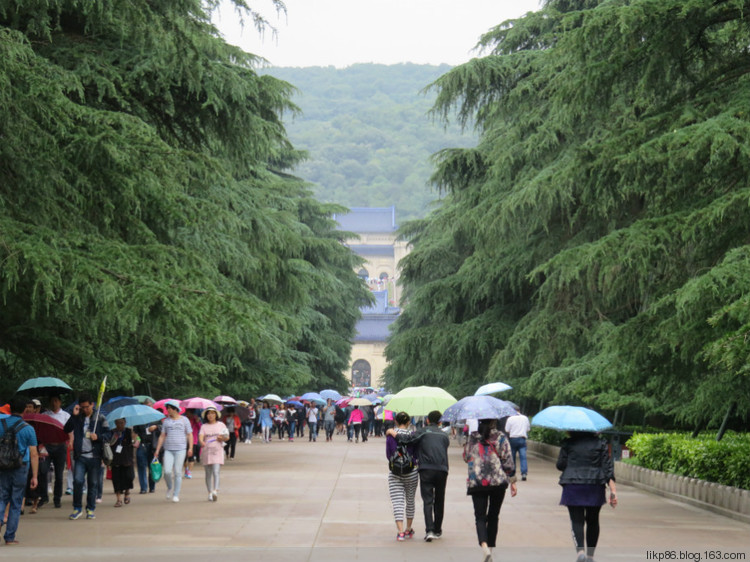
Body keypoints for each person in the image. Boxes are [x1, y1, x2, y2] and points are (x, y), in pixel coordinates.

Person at [387, 410, 450, 542]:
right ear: (440, 422)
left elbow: (404, 442)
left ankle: (426, 530)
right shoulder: (445, 435)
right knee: (438, 500)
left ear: (427, 420)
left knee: (426, 501)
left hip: (424, 469)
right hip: (441, 469)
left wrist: (392, 432)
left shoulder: (422, 432)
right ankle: (436, 530)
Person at [556, 431, 617, 562]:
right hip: (595, 484)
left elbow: (560, 465)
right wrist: (613, 491)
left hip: (573, 483)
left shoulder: (568, 442)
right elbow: (607, 468)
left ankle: (580, 553)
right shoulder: (601, 443)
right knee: (593, 520)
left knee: (577, 521)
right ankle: (590, 555)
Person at [463, 419, 517, 562]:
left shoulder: (473, 437)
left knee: (480, 517)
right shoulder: (501, 437)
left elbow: (466, 457)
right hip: (498, 482)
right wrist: (513, 481)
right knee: (493, 516)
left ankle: (484, 546)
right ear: (494, 421)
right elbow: (508, 461)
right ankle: (491, 551)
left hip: (478, 482)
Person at [64, 392, 111, 520]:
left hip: (95, 457)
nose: (84, 409)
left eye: (86, 407)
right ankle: (77, 508)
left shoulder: (100, 418)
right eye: (82, 407)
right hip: (80, 456)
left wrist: (99, 437)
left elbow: (109, 435)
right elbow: (66, 429)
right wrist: (73, 416)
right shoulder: (78, 418)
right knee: (78, 481)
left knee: (93, 484)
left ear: (92, 404)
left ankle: (90, 509)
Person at [0, 396, 39, 545]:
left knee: (2, 496)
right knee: (16, 501)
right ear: (25, 410)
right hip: (21, 467)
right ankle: (9, 537)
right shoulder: (28, 429)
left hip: (2, 465)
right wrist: (34, 476)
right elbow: (34, 454)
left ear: (9, 408)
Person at [386, 411, 418, 541]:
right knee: (410, 500)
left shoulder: (391, 436)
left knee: (397, 501)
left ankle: (400, 532)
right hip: (411, 472)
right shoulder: (413, 436)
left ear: (396, 422)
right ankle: (409, 529)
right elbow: (416, 454)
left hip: (395, 473)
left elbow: (388, 455)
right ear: (409, 422)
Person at [153, 400, 192, 503]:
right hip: (168, 449)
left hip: (181, 449)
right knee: (167, 472)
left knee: (178, 472)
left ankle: (176, 494)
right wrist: (157, 449)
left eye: (169, 408)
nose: (168, 410)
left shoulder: (184, 420)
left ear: (175, 409)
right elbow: (162, 436)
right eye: (167, 408)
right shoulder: (166, 421)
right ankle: (169, 487)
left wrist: (190, 448)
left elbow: (189, 434)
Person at [42, 394, 70, 508]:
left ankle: (57, 498)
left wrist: (70, 442)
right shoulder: (44, 416)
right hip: (47, 446)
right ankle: (44, 497)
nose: (54, 403)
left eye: (56, 400)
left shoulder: (66, 416)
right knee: (43, 472)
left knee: (59, 475)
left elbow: (70, 431)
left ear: (60, 402)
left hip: (60, 447)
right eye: (52, 401)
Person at [198, 406, 229, 502]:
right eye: (208, 413)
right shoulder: (204, 426)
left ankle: (215, 490)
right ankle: (210, 492)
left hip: (217, 450)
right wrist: (201, 442)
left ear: (216, 414)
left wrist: (222, 438)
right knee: (208, 473)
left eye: (212, 413)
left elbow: (227, 437)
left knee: (216, 471)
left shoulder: (221, 425)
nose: (210, 415)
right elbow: (200, 437)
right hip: (207, 451)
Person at [109, 418, 137, 507]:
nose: (120, 425)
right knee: (116, 479)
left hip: (127, 458)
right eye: (118, 423)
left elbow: (134, 443)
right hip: (116, 458)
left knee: (129, 476)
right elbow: (109, 443)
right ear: (115, 423)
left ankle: (127, 491)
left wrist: (134, 438)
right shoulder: (112, 432)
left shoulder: (129, 431)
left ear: (125, 422)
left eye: (122, 423)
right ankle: (118, 499)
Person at [504, 407, 531, 481]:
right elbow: (528, 429)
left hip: (513, 439)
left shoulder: (510, 418)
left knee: (512, 457)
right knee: (523, 457)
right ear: (519, 410)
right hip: (522, 439)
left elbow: (507, 430)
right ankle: (524, 473)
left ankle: (512, 473)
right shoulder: (525, 418)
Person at [184, 409, 201, 478]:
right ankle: (186, 469)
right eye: (186, 413)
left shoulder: (196, 419)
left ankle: (189, 472)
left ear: (192, 413)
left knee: (191, 457)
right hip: (184, 441)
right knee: (184, 458)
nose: (187, 415)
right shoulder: (184, 420)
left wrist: (197, 422)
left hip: (193, 441)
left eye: (188, 413)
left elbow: (200, 428)